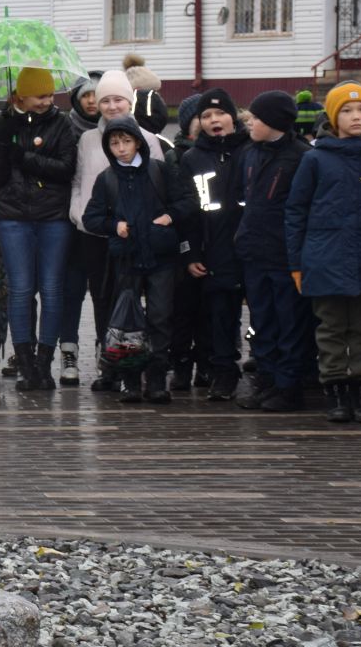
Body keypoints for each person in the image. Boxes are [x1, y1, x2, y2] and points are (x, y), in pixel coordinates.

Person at [83, 114, 194, 404]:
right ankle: (130, 379)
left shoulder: (159, 170)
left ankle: (157, 377)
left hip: (160, 256)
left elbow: (186, 202)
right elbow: (91, 217)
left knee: (160, 316)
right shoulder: (106, 179)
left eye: (126, 141)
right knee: (129, 321)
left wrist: (170, 216)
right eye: (115, 142)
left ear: (138, 143)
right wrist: (113, 226)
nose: (121, 148)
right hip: (128, 260)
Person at [66, 68, 163, 389]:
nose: (111, 106)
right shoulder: (88, 139)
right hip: (95, 234)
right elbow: (79, 182)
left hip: (137, 237)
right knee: (103, 300)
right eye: (104, 100)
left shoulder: (148, 140)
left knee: (133, 299)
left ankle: (136, 366)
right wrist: (81, 217)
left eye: (118, 99)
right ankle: (109, 367)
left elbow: (160, 187)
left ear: (130, 101)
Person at [286, 82, 361, 425]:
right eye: (348, 111)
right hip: (325, 259)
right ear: (333, 117)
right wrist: (296, 263)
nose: (356, 117)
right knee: (331, 328)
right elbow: (296, 212)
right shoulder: (315, 159)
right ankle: (336, 388)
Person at [0, 67, 78, 392]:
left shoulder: (61, 123)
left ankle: (44, 364)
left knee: (52, 289)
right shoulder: (0, 122)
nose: (47, 101)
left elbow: (66, 169)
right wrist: (3, 138)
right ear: (20, 95)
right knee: (20, 290)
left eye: (50, 95)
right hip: (13, 215)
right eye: (40, 96)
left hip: (53, 216)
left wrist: (24, 157)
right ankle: (25, 364)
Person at [233, 91, 312, 413]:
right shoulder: (250, 153)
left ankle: (288, 386)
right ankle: (265, 382)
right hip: (254, 252)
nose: (250, 122)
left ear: (275, 123)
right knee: (262, 321)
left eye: (257, 118)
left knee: (289, 323)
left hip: (285, 255)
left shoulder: (301, 157)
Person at [174, 89, 249, 400]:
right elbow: (187, 211)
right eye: (206, 116)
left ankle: (270, 369)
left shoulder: (250, 151)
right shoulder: (192, 159)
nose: (214, 120)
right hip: (214, 249)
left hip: (252, 247)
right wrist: (190, 252)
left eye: (220, 114)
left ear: (233, 117)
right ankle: (223, 374)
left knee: (264, 313)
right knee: (220, 315)